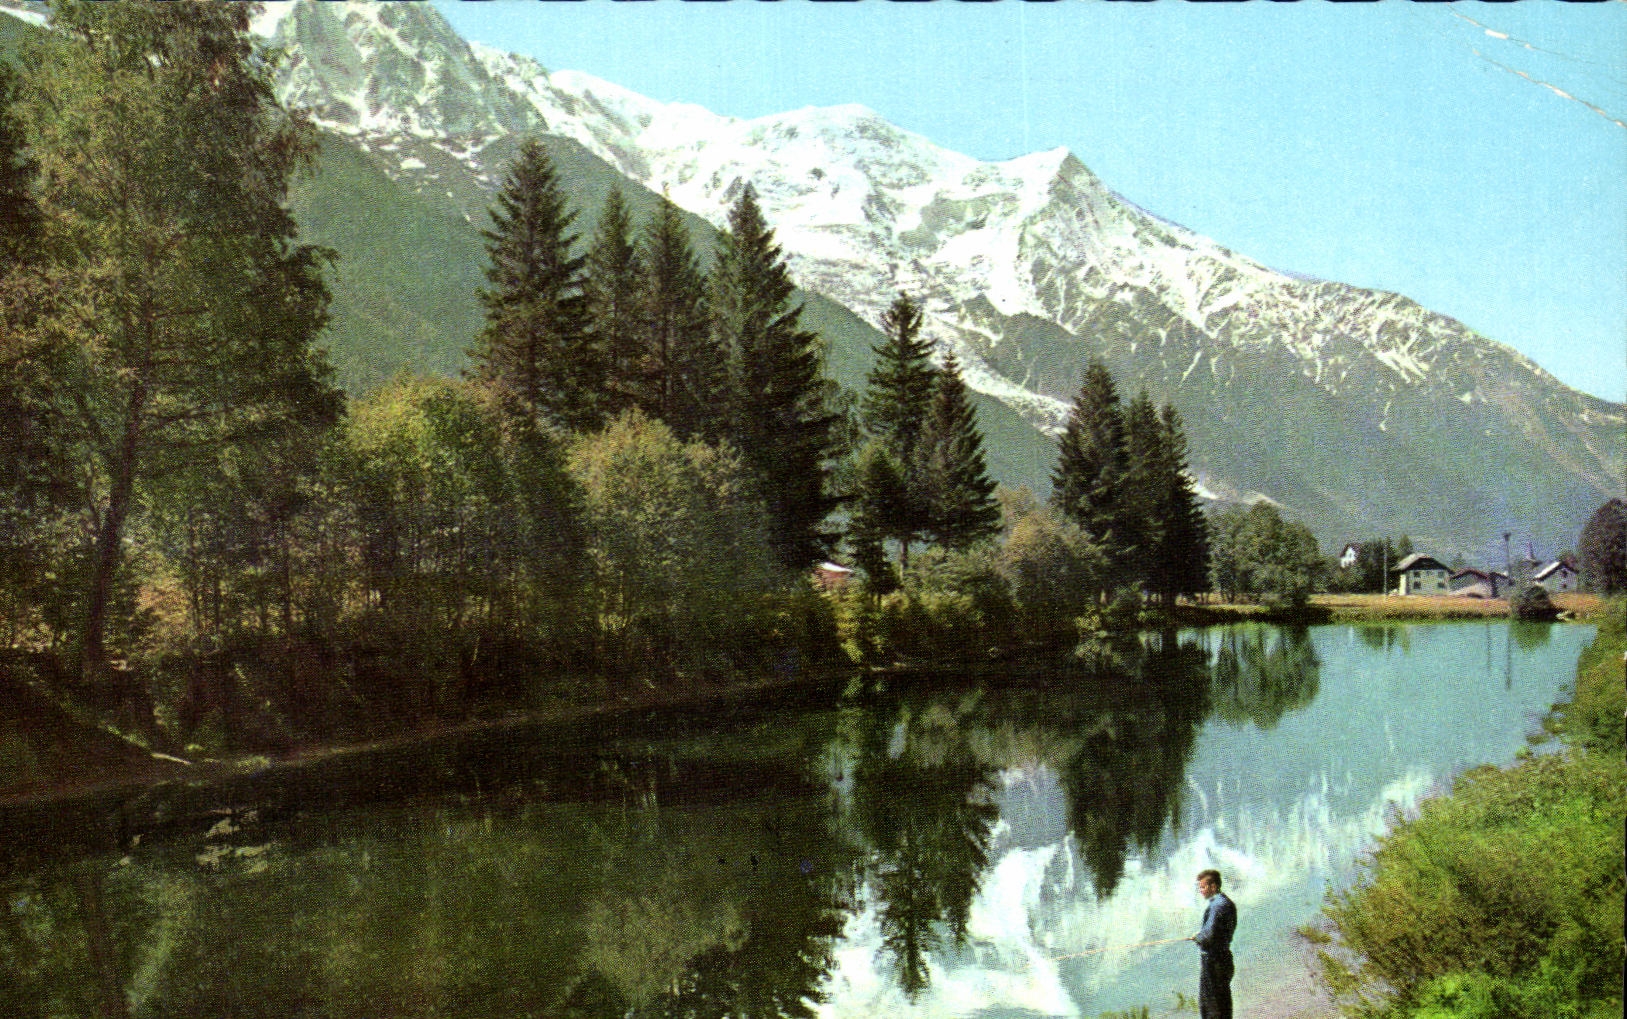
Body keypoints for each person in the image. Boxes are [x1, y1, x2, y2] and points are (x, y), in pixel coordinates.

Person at [1192, 868, 1236, 1019]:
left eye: (1203, 887)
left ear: (1214, 886)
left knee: (1212, 1006)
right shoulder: (1227, 902)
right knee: (1223, 1004)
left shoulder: (1217, 906)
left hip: (1213, 962)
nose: (1201, 890)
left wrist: (1198, 938)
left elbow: (1209, 935)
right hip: (1224, 958)